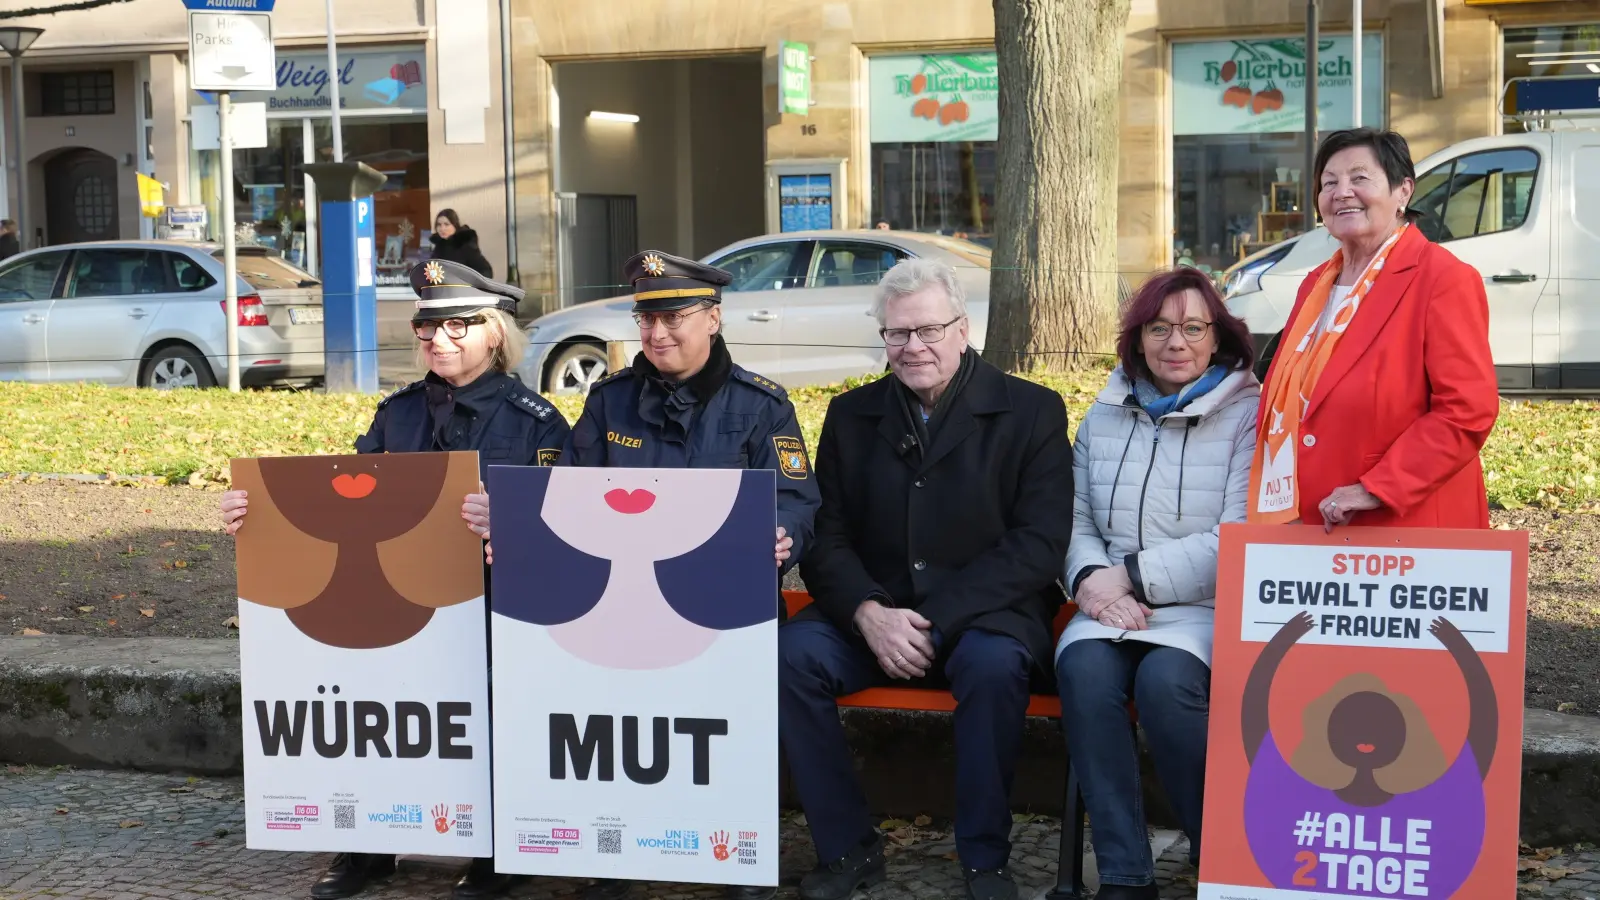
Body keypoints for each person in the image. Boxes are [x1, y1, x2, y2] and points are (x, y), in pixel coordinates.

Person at [469, 249, 819, 900]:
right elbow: (565, 491)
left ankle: (730, 852)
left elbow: (798, 497)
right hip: (620, 607)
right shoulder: (611, 403)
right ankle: (618, 854)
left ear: (713, 318)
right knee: (621, 730)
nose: (656, 334)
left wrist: (784, 535)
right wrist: (518, 529)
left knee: (723, 732)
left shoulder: (761, 407)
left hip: (720, 613)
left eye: (673, 317)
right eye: (645, 318)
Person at [220, 258, 569, 900]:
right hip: (398, 599)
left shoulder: (537, 423)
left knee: (492, 693)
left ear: (495, 332)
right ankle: (366, 843)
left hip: (494, 607)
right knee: (362, 690)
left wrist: (512, 521)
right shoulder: (398, 415)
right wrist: (257, 512)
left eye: (458, 325)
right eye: (427, 326)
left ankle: (496, 849)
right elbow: (341, 501)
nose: (439, 338)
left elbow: (565, 529)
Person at [780, 258, 1074, 900]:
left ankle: (985, 861)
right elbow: (826, 536)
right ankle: (847, 846)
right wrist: (867, 613)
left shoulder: (1031, 411)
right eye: (896, 334)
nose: (912, 347)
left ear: (962, 329)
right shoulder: (851, 414)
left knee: (995, 668)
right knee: (791, 657)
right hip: (872, 618)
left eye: (928, 330)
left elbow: (1040, 544)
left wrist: (936, 621)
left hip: (984, 618)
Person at [1054, 267, 1260, 900]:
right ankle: (1124, 872)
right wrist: (1090, 581)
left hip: (1205, 607)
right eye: (1160, 327)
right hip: (1109, 604)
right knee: (1084, 674)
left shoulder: (1248, 414)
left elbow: (1239, 534)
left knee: (1166, 685)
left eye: (1193, 327)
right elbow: (1074, 515)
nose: (1177, 341)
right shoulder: (1105, 412)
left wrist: (1130, 578)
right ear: (1138, 338)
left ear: (1217, 337)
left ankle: (1219, 856)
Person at [1248, 127, 1499, 532]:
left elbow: (1466, 411)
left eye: (1359, 178)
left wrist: (1376, 488)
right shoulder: (1315, 283)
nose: (1342, 192)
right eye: (1329, 183)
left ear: (1403, 191)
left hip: (1401, 529)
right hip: (1309, 525)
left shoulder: (1443, 279)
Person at [430, 209, 494, 279]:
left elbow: (485, 271)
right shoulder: (439, 247)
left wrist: (470, 285)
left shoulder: (465, 245)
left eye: (446, 224)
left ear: (455, 225)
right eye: (439, 225)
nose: (442, 229)